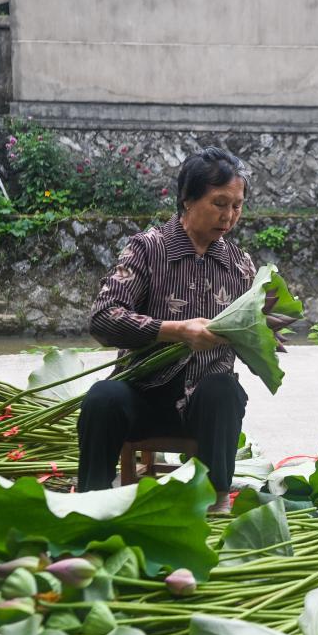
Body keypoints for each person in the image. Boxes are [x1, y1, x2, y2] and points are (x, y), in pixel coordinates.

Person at [76, 147, 257, 510]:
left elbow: (258, 338)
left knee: (225, 390)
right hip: (142, 394)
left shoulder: (240, 266)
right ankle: (90, 500)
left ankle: (217, 498)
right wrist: (175, 330)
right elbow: (103, 317)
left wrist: (265, 331)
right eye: (219, 203)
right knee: (102, 397)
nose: (229, 216)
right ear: (188, 200)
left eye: (236, 206)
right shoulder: (146, 249)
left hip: (204, 407)